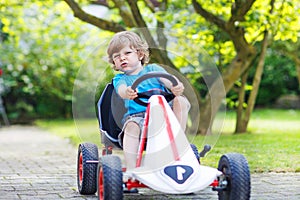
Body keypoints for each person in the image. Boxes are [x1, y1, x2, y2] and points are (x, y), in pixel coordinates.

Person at [107, 31, 190, 170]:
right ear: (114, 62)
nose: (122, 58)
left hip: (164, 114)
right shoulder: (120, 79)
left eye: (127, 53)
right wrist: (127, 92)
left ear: (140, 54)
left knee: (181, 101)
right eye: (117, 56)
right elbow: (121, 90)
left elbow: (169, 80)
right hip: (138, 116)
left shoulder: (153, 69)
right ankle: (132, 169)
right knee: (131, 126)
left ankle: (177, 142)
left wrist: (175, 86)